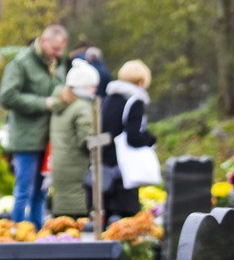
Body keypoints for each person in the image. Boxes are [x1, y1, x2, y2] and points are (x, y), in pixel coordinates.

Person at [0, 24, 73, 229]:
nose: (57, 53)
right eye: (55, 49)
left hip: (49, 139)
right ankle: (18, 236)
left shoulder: (57, 65)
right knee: (24, 190)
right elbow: (7, 96)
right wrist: (44, 103)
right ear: (43, 40)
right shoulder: (21, 63)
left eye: (61, 50)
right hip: (27, 139)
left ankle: (38, 236)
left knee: (42, 191)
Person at [100, 59, 156, 223]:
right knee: (125, 221)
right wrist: (150, 139)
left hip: (106, 169)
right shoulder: (135, 101)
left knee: (108, 219)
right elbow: (134, 137)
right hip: (124, 170)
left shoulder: (109, 98)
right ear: (141, 82)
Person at [49, 58, 100, 218]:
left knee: (61, 217)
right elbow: (85, 140)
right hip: (76, 167)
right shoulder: (82, 107)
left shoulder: (62, 104)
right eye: (92, 86)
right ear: (83, 87)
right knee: (75, 218)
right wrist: (105, 140)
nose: (95, 90)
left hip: (61, 164)